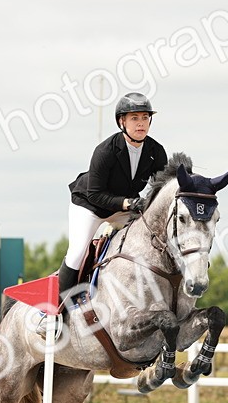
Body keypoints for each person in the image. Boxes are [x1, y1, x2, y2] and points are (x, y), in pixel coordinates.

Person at [59, 92, 168, 303]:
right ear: (122, 121)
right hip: (90, 206)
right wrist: (127, 203)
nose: (141, 124)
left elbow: (160, 189)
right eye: (134, 118)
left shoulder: (156, 151)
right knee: (77, 251)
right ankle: (57, 311)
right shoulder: (105, 151)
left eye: (145, 118)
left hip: (124, 209)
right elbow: (96, 194)